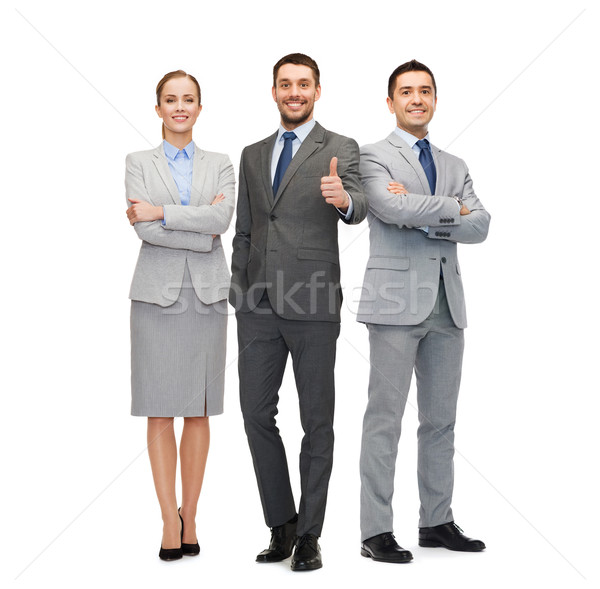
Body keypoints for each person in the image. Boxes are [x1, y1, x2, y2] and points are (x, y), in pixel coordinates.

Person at [230, 53, 366, 571]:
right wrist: (240, 290)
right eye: (285, 84)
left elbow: (358, 208)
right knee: (255, 415)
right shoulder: (252, 152)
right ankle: (281, 523)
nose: (294, 92)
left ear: (317, 90)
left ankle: (310, 534)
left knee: (317, 422)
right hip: (258, 305)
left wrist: (343, 199)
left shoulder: (340, 148)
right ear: (274, 91)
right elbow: (245, 227)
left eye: (303, 84)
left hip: (312, 302)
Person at [357, 59, 491, 563]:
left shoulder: (455, 164)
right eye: (407, 91)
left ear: (435, 99)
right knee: (384, 419)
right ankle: (375, 531)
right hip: (394, 304)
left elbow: (481, 226)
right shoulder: (371, 155)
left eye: (426, 91)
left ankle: (436, 521)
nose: (417, 98)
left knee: (440, 421)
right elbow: (389, 209)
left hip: (446, 305)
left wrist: (428, 210)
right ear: (390, 102)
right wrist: (450, 208)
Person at [125, 70, 235, 561]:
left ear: (199, 107)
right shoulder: (136, 162)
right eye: (170, 100)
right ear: (158, 109)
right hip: (156, 296)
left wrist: (163, 212)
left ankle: (191, 514)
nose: (179, 108)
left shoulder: (221, 164)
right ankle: (168, 518)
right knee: (158, 407)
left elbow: (223, 221)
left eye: (188, 99)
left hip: (207, 296)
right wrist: (200, 227)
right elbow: (145, 233)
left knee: (199, 408)